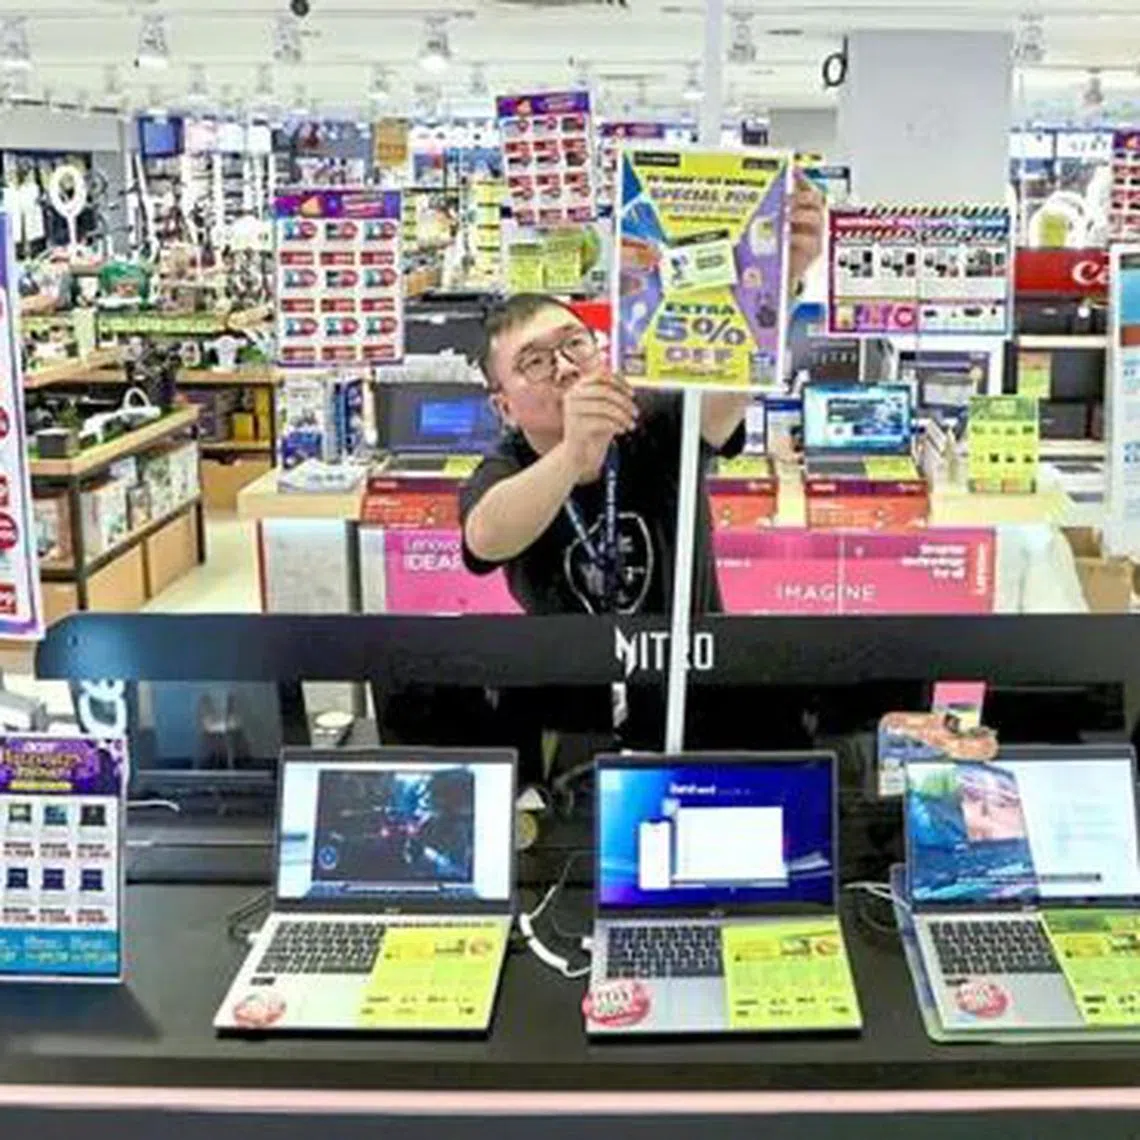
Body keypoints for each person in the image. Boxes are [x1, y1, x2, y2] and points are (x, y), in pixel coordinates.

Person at [460, 176, 825, 617]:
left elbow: (732, 391)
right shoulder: (507, 466)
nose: (565, 367)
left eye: (575, 343)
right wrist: (575, 452)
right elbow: (485, 540)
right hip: (570, 680)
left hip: (686, 677)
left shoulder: (649, 418)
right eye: (534, 362)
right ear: (504, 407)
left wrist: (781, 279)